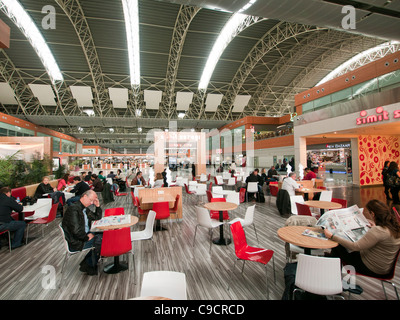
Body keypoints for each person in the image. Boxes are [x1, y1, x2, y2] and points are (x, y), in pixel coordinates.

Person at [324, 200, 400, 277]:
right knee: (341, 247)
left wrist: (332, 236)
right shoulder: (393, 227)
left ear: (372, 214)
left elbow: (355, 247)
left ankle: (332, 272)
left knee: (338, 245)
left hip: (371, 267)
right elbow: (383, 236)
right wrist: (374, 227)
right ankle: (332, 268)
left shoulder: (378, 231)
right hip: (383, 267)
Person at [62, 190, 103, 275]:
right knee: (102, 240)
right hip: (77, 242)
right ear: (84, 197)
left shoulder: (83, 208)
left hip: (83, 236)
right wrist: (87, 237)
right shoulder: (73, 210)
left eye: (93, 201)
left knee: (106, 234)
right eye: (91, 200)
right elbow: (76, 231)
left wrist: (98, 206)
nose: (92, 203)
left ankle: (88, 263)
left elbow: (96, 217)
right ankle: (89, 264)